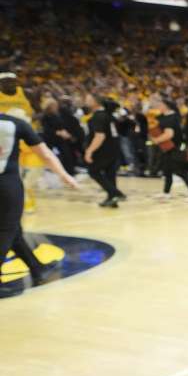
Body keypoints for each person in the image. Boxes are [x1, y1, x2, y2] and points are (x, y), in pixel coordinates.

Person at [1, 110, 79, 291]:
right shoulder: (17, 123)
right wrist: (64, 175)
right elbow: (46, 154)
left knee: (14, 232)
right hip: (6, 185)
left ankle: (37, 268)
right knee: (6, 230)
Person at [150, 96, 188, 202]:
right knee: (167, 171)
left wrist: (156, 140)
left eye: (160, 104)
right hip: (166, 148)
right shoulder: (162, 117)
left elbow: (169, 134)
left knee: (181, 171)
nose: (157, 106)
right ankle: (166, 193)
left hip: (175, 148)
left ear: (166, 105)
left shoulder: (172, 117)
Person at [0, 72, 39, 212]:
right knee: (11, 176)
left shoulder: (26, 94)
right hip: (6, 140)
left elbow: (37, 111)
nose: (9, 84)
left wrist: (29, 120)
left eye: (11, 81)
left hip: (26, 137)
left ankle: (27, 204)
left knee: (30, 176)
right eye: (5, 81)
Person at [82, 94, 125, 208]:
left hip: (104, 149)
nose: (85, 101)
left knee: (93, 171)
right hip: (114, 148)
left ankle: (116, 194)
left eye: (88, 99)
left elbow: (100, 136)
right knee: (110, 174)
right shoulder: (108, 115)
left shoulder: (98, 116)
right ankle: (112, 199)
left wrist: (89, 151)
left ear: (96, 102)